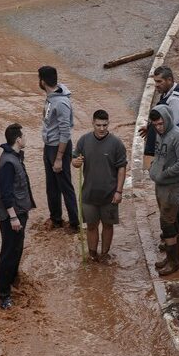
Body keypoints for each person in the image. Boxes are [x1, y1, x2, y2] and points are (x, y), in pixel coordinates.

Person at [139, 66, 179, 247]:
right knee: (172, 195)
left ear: (170, 80)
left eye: (159, 81)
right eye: (155, 82)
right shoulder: (168, 95)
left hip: (172, 155)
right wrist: (151, 127)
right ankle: (177, 232)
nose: (156, 85)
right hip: (167, 154)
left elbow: (172, 128)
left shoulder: (176, 99)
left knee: (174, 196)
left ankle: (178, 234)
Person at [72, 110, 127, 262]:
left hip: (110, 195)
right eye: (98, 125)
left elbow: (122, 168)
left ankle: (104, 254)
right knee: (91, 226)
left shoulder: (116, 144)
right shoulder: (84, 140)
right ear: (93, 123)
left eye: (105, 125)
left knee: (108, 226)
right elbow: (76, 159)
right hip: (89, 194)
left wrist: (119, 191)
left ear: (108, 124)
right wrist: (75, 162)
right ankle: (92, 255)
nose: (102, 129)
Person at [0, 123, 36, 309]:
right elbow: (6, 194)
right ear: (18, 140)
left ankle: (12, 282)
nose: (26, 139)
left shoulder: (14, 157)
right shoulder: (8, 163)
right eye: (24, 136)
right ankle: (4, 295)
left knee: (16, 249)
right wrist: (13, 217)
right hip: (12, 216)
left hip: (19, 212)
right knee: (8, 253)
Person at [148, 105, 179, 276]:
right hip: (161, 184)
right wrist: (153, 168)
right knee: (166, 221)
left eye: (160, 124)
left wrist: (165, 173)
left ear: (167, 119)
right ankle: (171, 257)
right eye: (155, 125)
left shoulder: (177, 136)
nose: (158, 127)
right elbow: (159, 156)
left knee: (167, 223)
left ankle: (175, 262)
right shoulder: (160, 134)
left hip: (173, 185)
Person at [39, 65, 79, 230]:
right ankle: (56, 218)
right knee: (51, 186)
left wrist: (59, 158)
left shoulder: (61, 102)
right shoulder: (51, 96)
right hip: (49, 145)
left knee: (65, 185)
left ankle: (75, 222)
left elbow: (65, 132)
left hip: (58, 148)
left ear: (42, 81)